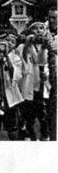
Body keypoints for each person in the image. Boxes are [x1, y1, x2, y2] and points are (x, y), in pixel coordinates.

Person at [18, 21, 50, 141]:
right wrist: (27, 44)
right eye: (35, 28)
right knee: (29, 115)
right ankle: (30, 136)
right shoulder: (23, 47)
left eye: (41, 28)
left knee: (43, 115)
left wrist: (43, 48)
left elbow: (41, 61)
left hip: (42, 84)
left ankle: (45, 136)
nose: (38, 31)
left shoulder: (45, 46)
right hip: (28, 85)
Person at [46, 7, 57, 141]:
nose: (51, 20)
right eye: (50, 17)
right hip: (50, 80)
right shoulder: (47, 34)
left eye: (55, 18)